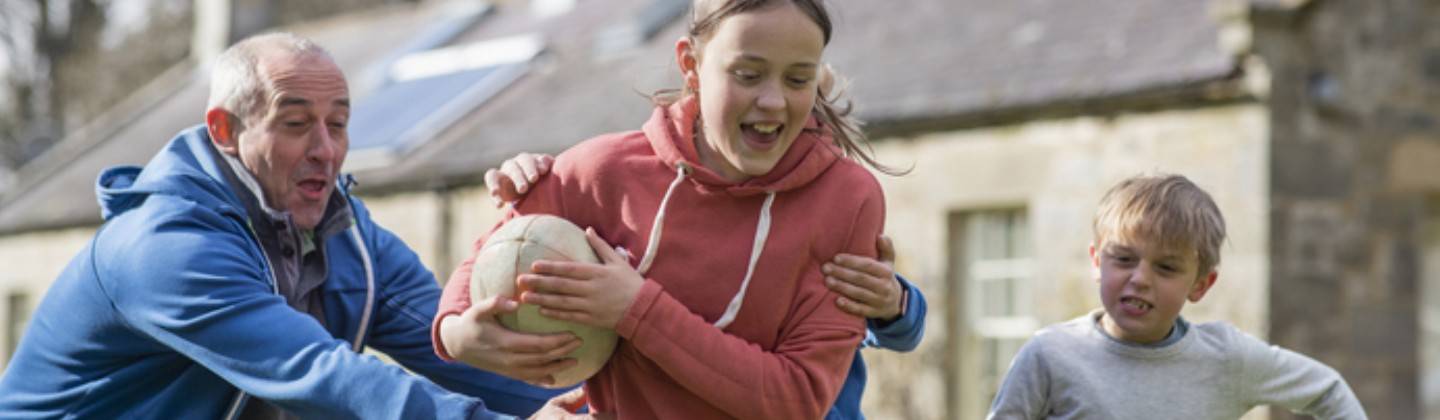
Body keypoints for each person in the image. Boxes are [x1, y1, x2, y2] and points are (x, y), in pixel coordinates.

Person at [0, 33, 568, 419]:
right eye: (296, 123)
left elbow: (454, 345)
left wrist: (597, 403)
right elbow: (321, 375)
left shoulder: (347, 236)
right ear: (225, 129)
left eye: (339, 123)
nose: (326, 149)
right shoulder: (162, 248)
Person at [434, 0, 900, 417]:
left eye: (798, 79)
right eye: (748, 74)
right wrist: (455, 332)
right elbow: (496, 244)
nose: (774, 100)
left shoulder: (848, 200)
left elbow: (796, 399)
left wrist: (634, 307)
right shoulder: (605, 169)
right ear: (690, 65)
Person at [479, 152, 927, 420]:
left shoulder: (832, 224)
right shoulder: (659, 209)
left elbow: (890, 325)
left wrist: (895, 304)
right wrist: (534, 181)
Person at [986, 174, 1367, 419]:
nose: (1140, 279)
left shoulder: (1228, 359)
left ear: (1200, 284)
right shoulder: (1050, 355)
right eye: (1123, 259)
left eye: (1166, 268)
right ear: (1096, 261)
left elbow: (1328, 389)